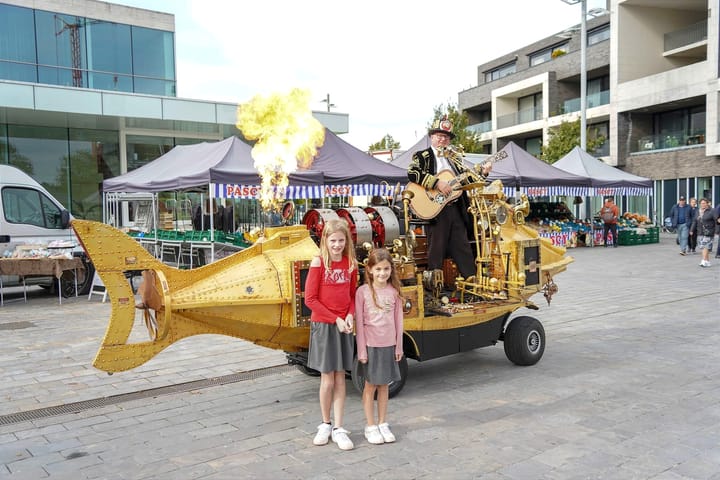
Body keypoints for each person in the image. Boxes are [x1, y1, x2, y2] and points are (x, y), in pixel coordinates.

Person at [407, 117, 492, 279]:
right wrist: (436, 183)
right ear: (431, 137)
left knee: (462, 245)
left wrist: (482, 173)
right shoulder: (423, 156)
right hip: (435, 208)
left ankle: (471, 280)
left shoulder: (455, 159)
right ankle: (434, 283)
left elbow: (466, 180)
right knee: (436, 247)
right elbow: (412, 173)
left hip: (455, 207)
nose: (442, 139)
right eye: (439, 136)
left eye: (446, 137)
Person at [304, 219, 358, 451]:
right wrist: (334, 318)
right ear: (325, 240)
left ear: (346, 241)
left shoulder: (350, 263)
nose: (337, 245)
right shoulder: (319, 263)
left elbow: (353, 295)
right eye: (332, 240)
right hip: (326, 326)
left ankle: (339, 426)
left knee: (340, 377)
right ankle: (325, 424)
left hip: (343, 326)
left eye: (340, 240)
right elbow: (310, 300)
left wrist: (350, 315)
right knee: (327, 378)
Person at [354, 248, 404, 445]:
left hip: (389, 345)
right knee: (370, 386)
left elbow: (399, 321)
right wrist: (362, 350)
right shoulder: (363, 292)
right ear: (370, 270)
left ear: (391, 269)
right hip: (371, 345)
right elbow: (360, 324)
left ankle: (383, 423)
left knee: (384, 386)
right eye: (378, 269)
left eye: (386, 269)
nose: (383, 273)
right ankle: (371, 425)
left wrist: (398, 347)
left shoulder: (394, 292)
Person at [689, 198, 719, 267]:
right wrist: (691, 230)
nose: (703, 205)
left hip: (709, 231)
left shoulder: (712, 211)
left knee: (705, 246)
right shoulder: (697, 211)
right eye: (701, 203)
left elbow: (716, 221)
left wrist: (717, 231)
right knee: (702, 247)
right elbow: (694, 221)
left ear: (707, 203)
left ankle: (703, 260)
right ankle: (707, 261)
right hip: (700, 231)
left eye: (704, 203)